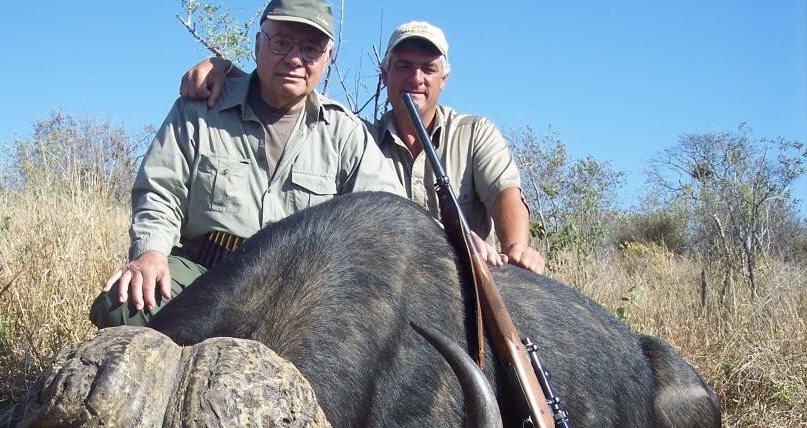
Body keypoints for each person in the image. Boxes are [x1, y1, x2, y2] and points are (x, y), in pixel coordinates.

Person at [91, 0, 402, 328]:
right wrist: (150, 253)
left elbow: (387, 217)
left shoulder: (345, 132)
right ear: (257, 45)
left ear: (328, 57)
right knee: (121, 305)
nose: (295, 58)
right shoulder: (199, 109)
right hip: (205, 274)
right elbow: (159, 192)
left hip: (297, 293)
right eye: (281, 43)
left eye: (310, 49)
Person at [181, 20, 545, 274]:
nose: (415, 78)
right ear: (384, 75)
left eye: (427, 69)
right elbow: (290, 95)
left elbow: (504, 194)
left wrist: (515, 248)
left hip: (463, 274)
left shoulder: (475, 133)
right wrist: (224, 69)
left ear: (444, 79)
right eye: (403, 66)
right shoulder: (358, 137)